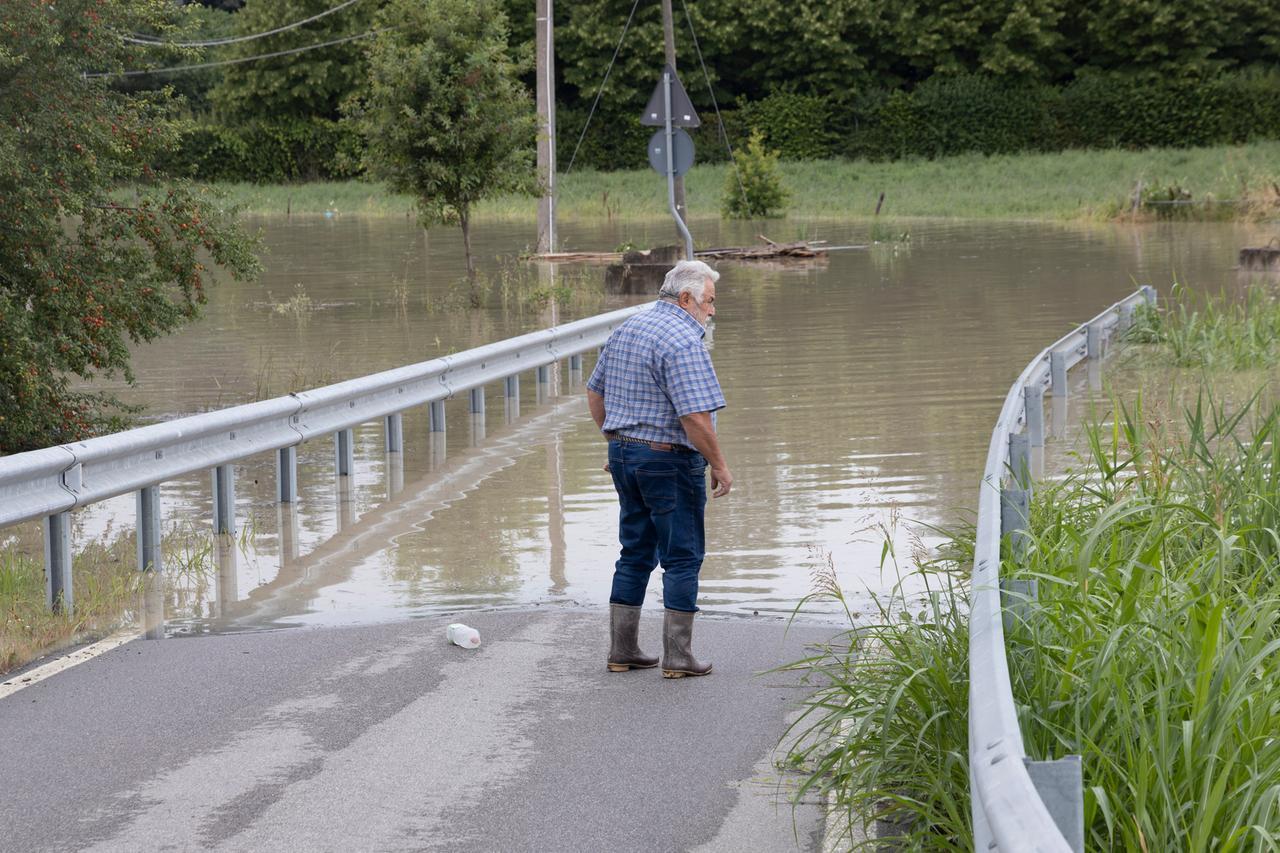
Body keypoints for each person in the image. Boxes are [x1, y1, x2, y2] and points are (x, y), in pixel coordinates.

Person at [585, 259, 733, 679]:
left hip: (625, 456)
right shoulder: (684, 341)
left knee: (634, 552)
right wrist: (720, 465)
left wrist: (616, 441)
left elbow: (595, 394)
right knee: (682, 556)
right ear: (685, 298)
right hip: (668, 460)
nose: (712, 310)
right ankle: (679, 657)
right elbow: (695, 418)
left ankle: (623, 650)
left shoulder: (628, 328)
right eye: (709, 301)